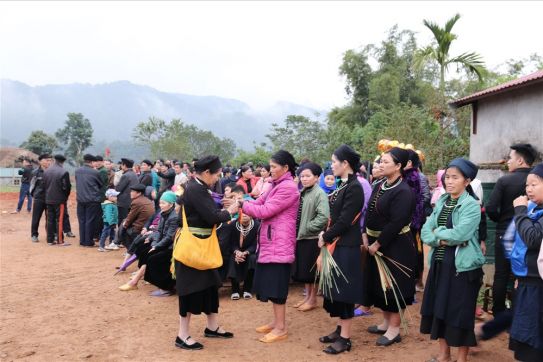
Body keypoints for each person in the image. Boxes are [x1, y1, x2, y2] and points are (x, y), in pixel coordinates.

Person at [420, 158, 485, 362]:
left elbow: (461, 234)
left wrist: (437, 234)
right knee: (439, 309)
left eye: (455, 177)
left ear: (467, 181)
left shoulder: (471, 205)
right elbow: (424, 231)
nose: (449, 181)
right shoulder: (442, 201)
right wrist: (441, 237)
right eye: (447, 177)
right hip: (440, 264)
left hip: (462, 268)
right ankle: (443, 355)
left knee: (460, 313)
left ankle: (461, 358)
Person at [174, 156, 239, 350]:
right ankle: (182, 335)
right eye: (217, 174)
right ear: (206, 173)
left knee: (211, 285)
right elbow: (212, 218)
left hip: (203, 246)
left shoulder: (197, 187)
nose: (218, 178)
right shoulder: (197, 189)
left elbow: (206, 212)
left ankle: (212, 326)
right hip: (193, 249)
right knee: (189, 290)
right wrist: (231, 210)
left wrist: (221, 207)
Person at [240, 150, 299, 343]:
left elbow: (265, 211)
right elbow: (258, 202)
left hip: (279, 244)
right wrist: (242, 200)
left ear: (285, 168)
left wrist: (242, 205)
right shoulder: (274, 184)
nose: (269, 170)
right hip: (270, 242)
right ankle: (276, 323)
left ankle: (281, 328)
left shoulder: (288, 187)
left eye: (273, 167)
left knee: (277, 287)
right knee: (271, 285)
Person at [363, 147, 416, 347]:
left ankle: (395, 329)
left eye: (386, 162)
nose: (381, 165)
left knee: (394, 286)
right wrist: (365, 235)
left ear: (399, 166)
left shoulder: (404, 191)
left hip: (395, 246)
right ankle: (385, 322)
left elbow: (396, 222)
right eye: (381, 161)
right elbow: (369, 211)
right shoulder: (379, 184)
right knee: (379, 284)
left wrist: (378, 242)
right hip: (374, 244)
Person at [317, 145, 365, 354]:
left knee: (344, 291)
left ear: (345, 164)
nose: (332, 165)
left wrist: (325, 237)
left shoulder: (354, 187)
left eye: (334, 161)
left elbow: (345, 220)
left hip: (346, 245)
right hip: (338, 244)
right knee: (336, 290)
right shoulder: (343, 185)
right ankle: (339, 329)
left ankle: (345, 338)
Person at [487, 143, 537, 316]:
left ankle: (499, 312)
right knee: (522, 275)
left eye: (510, 158)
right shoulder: (537, 182)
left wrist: (501, 221)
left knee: (501, 274)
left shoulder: (505, 180)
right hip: (530, 234)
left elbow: (491, 208)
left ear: (520, 160)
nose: (508, 161)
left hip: (504, 233)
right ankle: (519, 313)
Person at [508, 163, 543, 362]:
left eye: (535, 184)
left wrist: (520, 211)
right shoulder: (535, 210)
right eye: (527, 185)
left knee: (534, 338)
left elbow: (533, 238)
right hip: (529, 282)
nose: (528, 189)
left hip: (539, 286)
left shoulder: (530, 212)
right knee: (527, 336)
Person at [119, 191, 179, 295]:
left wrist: (156, 246)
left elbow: (169, 237)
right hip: (163, 243)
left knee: (152, 256)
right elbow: (159, 231)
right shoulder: (163, 213)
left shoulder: (173, 217)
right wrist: (154, 244)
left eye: (164, 203)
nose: (161, 205)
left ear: (171, 204)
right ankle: (137, 279)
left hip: (171, 246)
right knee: (143, 250)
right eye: (160, 203)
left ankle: (166, 288)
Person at [292, 162, 329, 312]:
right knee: (305, 271)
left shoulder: (319, 193)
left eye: (308, 176)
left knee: (312, 272)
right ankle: (307, 297)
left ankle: (313, 299)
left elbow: (323, 217)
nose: (304, 179)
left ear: (317, 177)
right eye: (302, 176)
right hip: (302, 237)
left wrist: (307, 227)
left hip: (312, 238)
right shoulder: (304, 192)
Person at [226, 187, 260, 300]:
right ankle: (235, 290)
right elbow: (230, 243)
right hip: (236, 251)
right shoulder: (232, 225)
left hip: (250, 252)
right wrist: (237, 252)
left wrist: (245, 252)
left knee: (252, 259)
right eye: (242, 213)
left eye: (247, 213)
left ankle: (247, 289)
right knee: (232, 259)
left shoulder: (256, 225)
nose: (245, 215)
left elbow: (256, 243)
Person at [109, 158, 138, 249]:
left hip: (124, 203)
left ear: (124, 165)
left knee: (122, 222)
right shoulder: (134, 174)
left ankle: (119, 241)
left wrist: (110, 193)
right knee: (130, 222)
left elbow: (118, 189)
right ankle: (127, 242)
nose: (121, 166)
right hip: (131, 202)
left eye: (122, 164)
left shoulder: (125, 175)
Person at [75, 154, 103, 247]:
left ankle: (82, 241)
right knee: (90, 220)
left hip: (80, 199)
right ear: (91, 162)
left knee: (82, 220)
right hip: (92, 199)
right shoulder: (95, 172)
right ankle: (88, 241)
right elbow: (100, 184)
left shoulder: (77, 171)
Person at [43, 154, 72, 245]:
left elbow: (44, 185)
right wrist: (65, 197)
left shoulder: (47, 171)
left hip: (48, 199)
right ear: (63, 162)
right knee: (59, 219)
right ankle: (60, 240)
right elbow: (67, 187)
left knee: (50, 219)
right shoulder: (63, 172)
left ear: (55, 160)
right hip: (59, 200)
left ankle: (50, 240)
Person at [117, 183, 155, 250]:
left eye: (133, 191)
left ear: (139, 193)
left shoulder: (136, 202)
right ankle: (117, 242)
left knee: (123, 226)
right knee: (124, 222)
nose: (130, 193)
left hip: (139, 227)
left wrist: (124, 227)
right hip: (147, 225)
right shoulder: (147, 200)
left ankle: (130, 250)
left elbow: (130, 217)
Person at [30, 154, 52, 242]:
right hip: (39, 198)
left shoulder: (52, 172)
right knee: (36, 217)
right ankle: (34, 235)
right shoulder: (35, 172)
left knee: (50, 218)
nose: (49, 162)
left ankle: (50, 235)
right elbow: (31, 186)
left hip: (50, 198)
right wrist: (35, 195)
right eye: (47, 160)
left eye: (50, 160)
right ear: (40, 161)